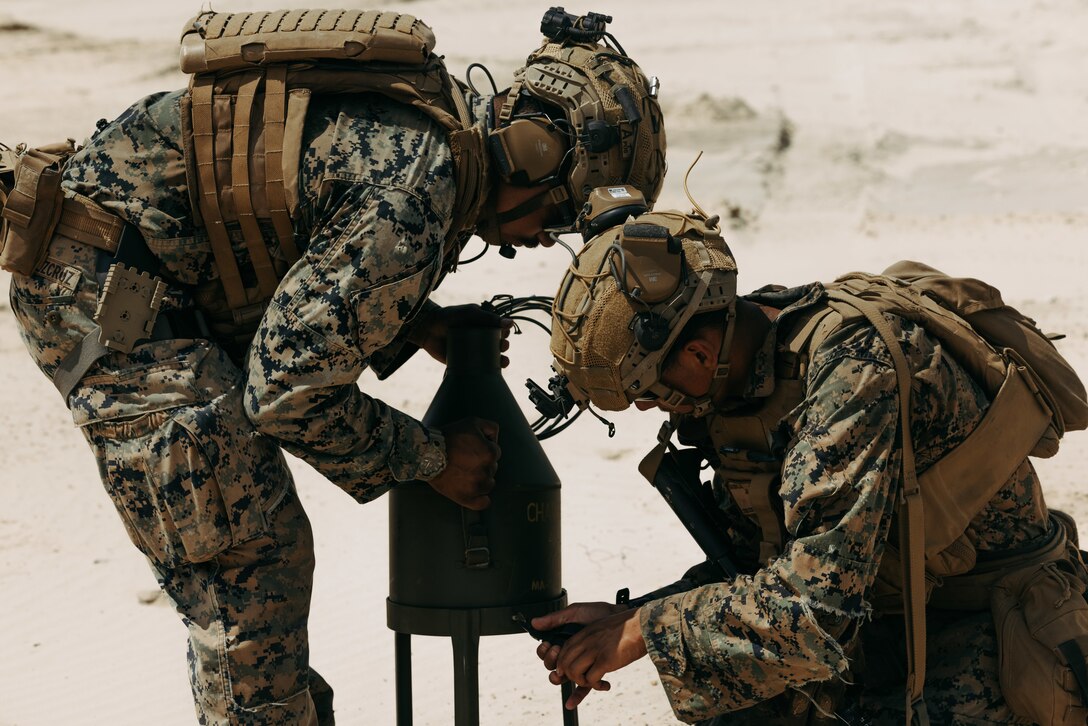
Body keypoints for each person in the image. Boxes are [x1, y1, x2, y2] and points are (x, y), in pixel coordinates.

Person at [1, 7, 666, 725]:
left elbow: (304, 241)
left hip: (144, 272)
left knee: (260, 554)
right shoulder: (416, 195)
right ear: (536, 155)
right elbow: (286, 392)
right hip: (110, 294)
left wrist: (415, 326)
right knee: (248, 564)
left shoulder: (437, 129)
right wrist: (432, 457)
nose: (544, 241)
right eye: (558, 216)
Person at [534, 208, 1088, 724]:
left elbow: (818, 607)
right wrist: (624, 621)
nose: (661, 408)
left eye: (655, 396)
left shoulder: (852, 369)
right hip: (884, 614)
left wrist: (645, 632)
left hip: (988, 632)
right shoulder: (749, 369)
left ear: (700, 356)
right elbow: (763, 566)